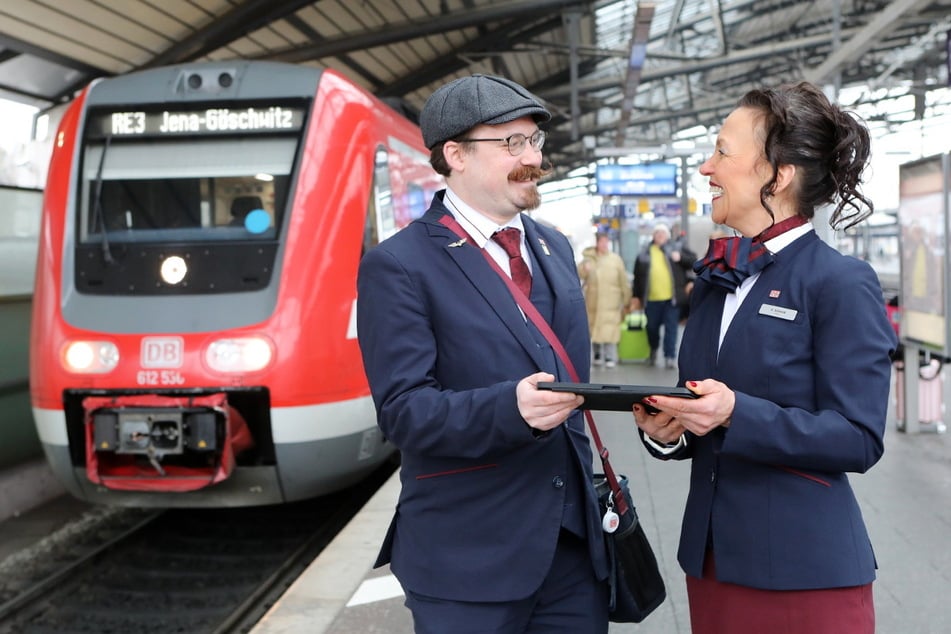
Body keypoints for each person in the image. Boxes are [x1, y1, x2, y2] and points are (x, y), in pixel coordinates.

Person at [632, 81, 897, 634]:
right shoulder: (713, 281)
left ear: (779, 176)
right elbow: (704, 410)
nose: (707, 168)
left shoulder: (840, 282)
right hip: (710, 563)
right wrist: (669, 431)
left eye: (723, 152)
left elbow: (859, 437)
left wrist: (735, 413)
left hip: (804, 575)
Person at [356, 74, 610, 633]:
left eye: (535, 142)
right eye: (511, 143)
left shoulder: (554, 246)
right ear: (456, 155)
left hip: (571, 552)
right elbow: (402, 410)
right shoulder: (400, 265)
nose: (532, 157)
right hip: (467, 562)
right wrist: (509, 410)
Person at [630, 222, 696, 368]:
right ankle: (653, 350)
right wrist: (636, 296)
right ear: (653, 236)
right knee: (652, 328)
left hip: (671, 299)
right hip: (651, 299)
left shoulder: (676, 249)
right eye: (657, 233)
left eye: (663, 233)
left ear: (667, 236)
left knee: (671, 329)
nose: (660, 236)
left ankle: (669, 356)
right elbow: (637, 277)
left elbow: (694, 262)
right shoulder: (644, 254)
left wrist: (680, 258)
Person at [578, 231, 631, 368]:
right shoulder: (588, 259)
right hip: (593, 300)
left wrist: (626, 299)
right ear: (597, 242)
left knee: (610, 328)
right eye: (602, 241)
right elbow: (579, 274)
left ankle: (609, 355)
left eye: (606, 241)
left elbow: (623, 281)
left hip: (611, 300)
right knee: (594, 327)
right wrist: (585, 268)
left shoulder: (615, 259)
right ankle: (597, 353)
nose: (604, 244)